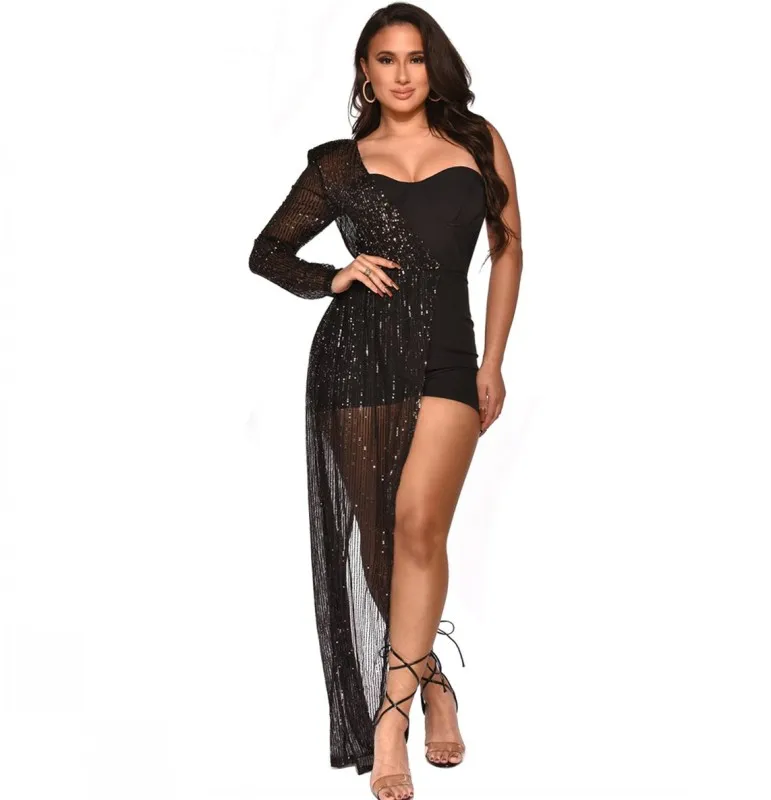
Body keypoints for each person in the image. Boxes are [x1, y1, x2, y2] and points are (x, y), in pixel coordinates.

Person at [248, 4, 522, 798]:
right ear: (365, 72)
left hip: (448, 360)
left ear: (434, 65)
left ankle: (389, 719)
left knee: (418, 525)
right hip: (355, 365)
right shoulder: (340, 165)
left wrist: (494, 361)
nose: (402, 74)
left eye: (415, 57)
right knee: (378, 545)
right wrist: (333, 275)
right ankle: (435, 685)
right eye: (385, 59)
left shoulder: (478, 142)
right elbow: (267, 252)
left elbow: (508, 250)